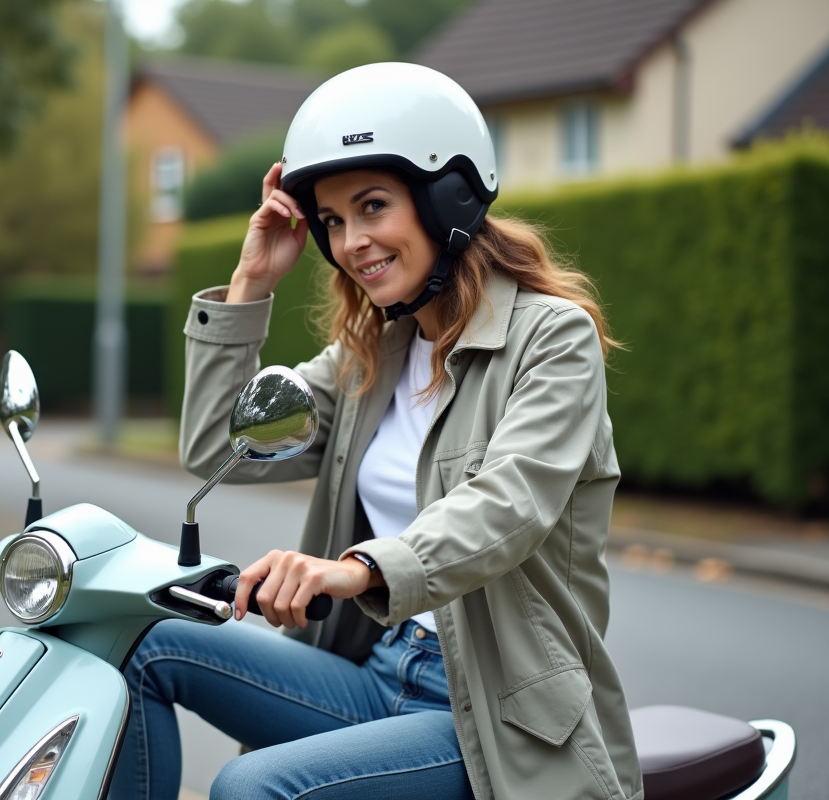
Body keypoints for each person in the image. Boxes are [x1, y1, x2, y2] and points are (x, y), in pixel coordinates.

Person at [110, 63, 643, 800]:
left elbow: (509, 505)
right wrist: (250, 285)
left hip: (491, 712)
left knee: (250, 787)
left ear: (446, 197)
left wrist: (356, 569)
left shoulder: (552, 339)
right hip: (375, 672)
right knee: (141, 642)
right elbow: (216, 450)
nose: (352, 240)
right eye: (332, 220)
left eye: (372, 206)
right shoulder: (372, 356)